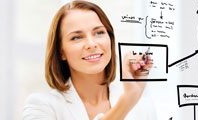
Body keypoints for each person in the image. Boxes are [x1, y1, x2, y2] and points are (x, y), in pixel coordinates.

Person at [23, 0, 156, 120]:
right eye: (76, 37)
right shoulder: (41, 107)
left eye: (99, 33)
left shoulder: (143, 107)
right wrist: (127, 101)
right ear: (61, 52)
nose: (91, 44)